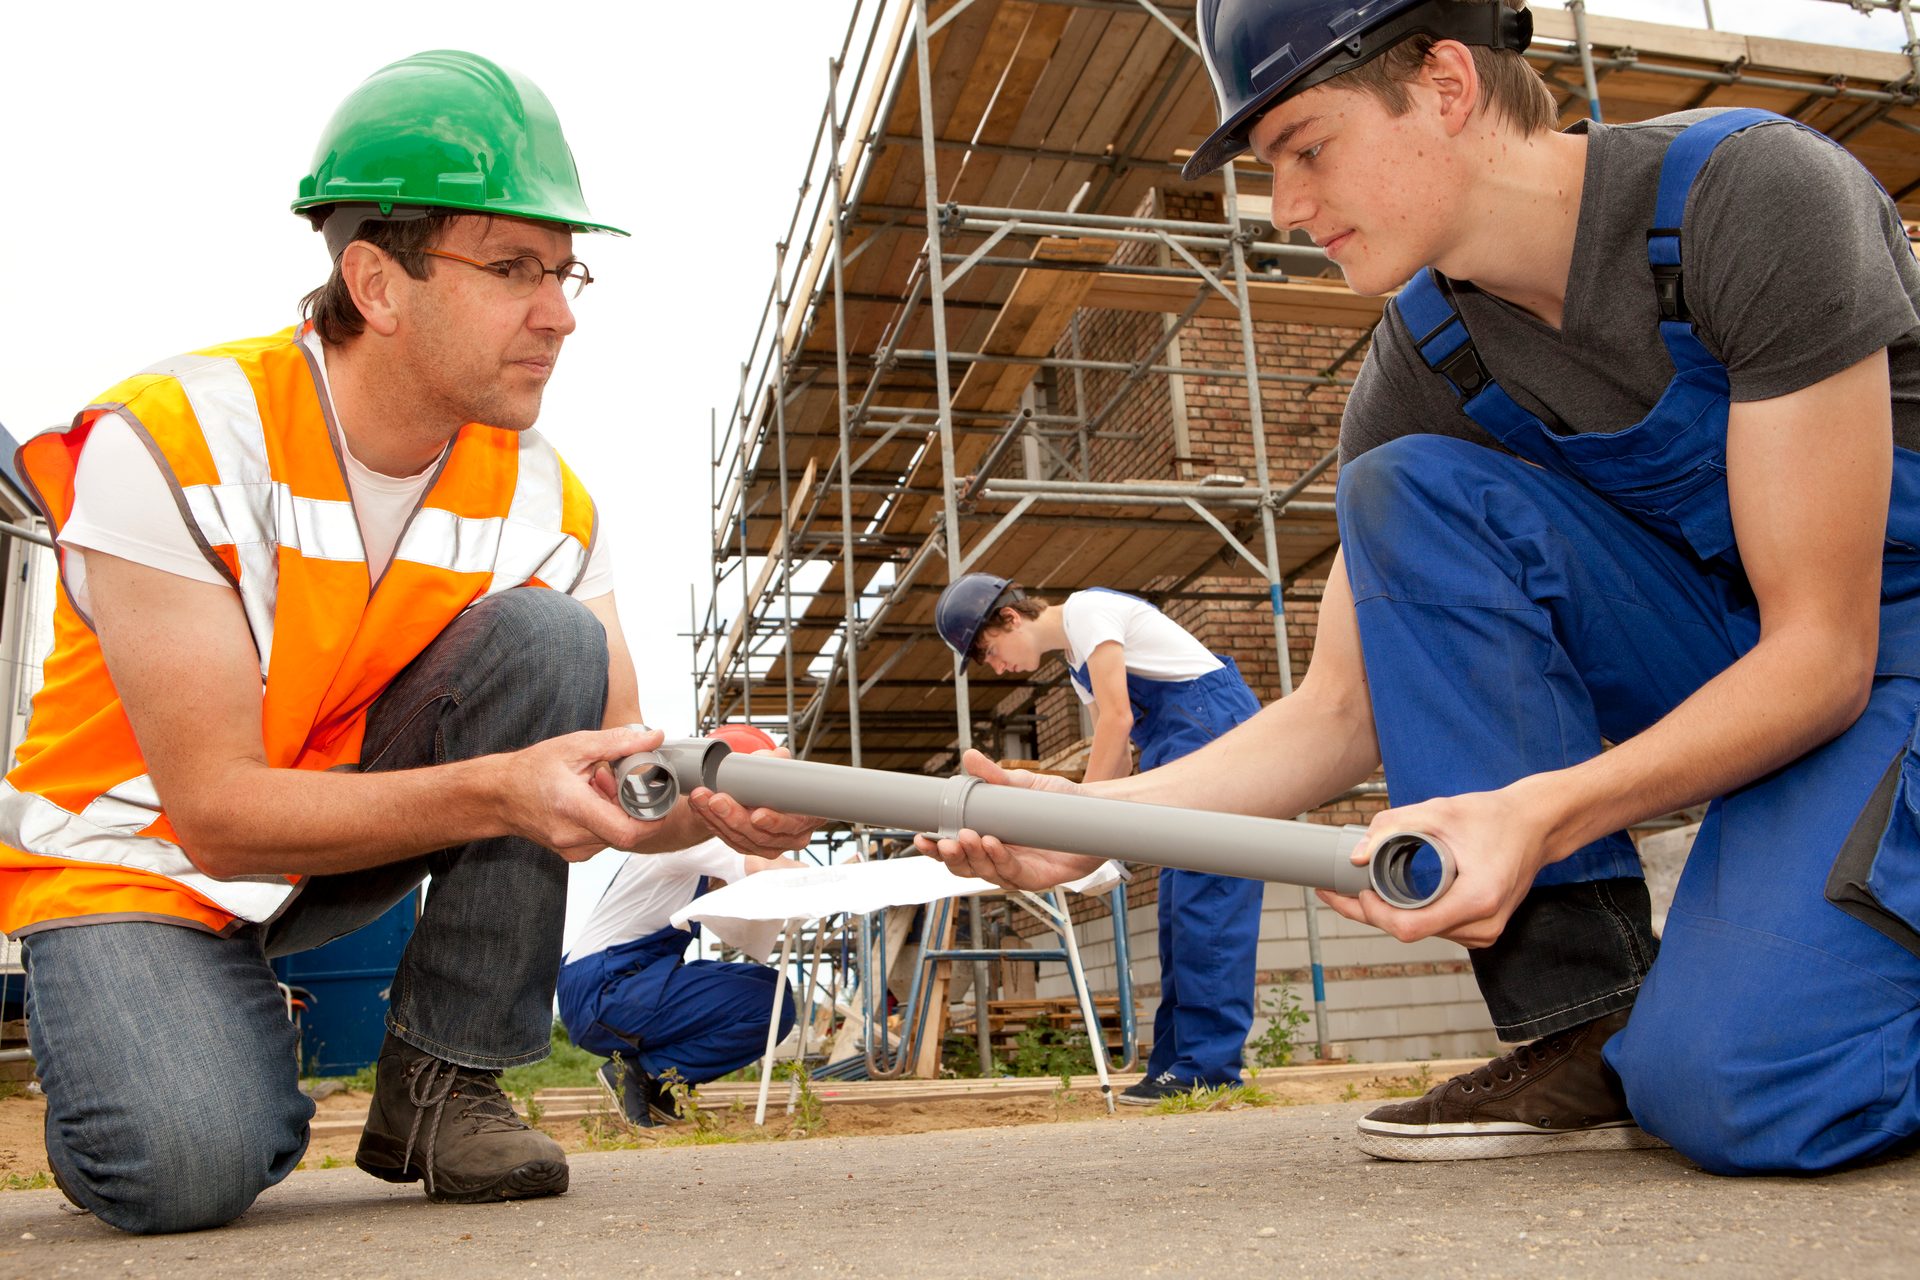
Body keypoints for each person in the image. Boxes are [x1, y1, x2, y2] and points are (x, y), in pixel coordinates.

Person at [924, 0, 1920, 1176]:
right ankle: (1594, 1023)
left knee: (1740, 1089)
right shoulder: (1425, 361)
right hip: (1743, 660)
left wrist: (1540, 810)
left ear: (1445, 84)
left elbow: (1822, 653)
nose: (1285, 205)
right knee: (1402, 492)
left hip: (1866, 656)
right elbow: (1340, 714)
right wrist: (1080, 833)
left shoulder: (1751, 201)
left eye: (1306, 147)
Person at [0, 50, 812, 1234]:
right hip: (146, 859)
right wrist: (496, 788)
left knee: (544, 640)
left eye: (567, 270)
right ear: (374, 281)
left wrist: (709, 807)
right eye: (513, 269)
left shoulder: (544, 496)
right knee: (182, 1166)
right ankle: (188, 1050)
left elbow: (610, 775)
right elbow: (217, 810)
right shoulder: (174, 442)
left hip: (338, 834)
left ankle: (445, 1083)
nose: (561, 312)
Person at [934, 575, 1263, 1102]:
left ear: (1010, 618)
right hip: (1178, 747)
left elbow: (1118, 719)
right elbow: (1117, 756)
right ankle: (1177, 1061)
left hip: (1212, 732)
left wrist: (1082, 822)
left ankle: (1209, 1066)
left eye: (988, 652)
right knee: (1180, 911)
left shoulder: (1087, 611)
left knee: (1210, 901)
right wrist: (1095, 831)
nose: (996, 668)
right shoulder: (1077, 664)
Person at [560, 838, 799, 1127]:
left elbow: (743, 915)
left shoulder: (688, 862)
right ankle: (645, 1072)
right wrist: (843, 880)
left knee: (772, 986)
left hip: (625, 982)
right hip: (604, 991)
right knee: (772, 1007)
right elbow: (763, 867)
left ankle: (661, 1084)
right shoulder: (682, 843)